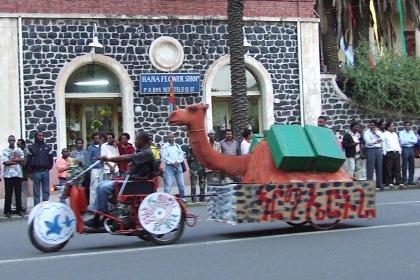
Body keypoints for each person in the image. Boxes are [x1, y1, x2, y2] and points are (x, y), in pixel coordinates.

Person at [84, 131, 156, 228]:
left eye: (137, 140)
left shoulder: (146, 153)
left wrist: (108, 159)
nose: (135, 142)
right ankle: (104, 213)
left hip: (136, 183)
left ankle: (98, 218)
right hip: (132, 180)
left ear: (142, 141)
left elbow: (127, 157)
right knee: (101, 185)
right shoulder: (142, 151)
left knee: (103, 188)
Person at [27, 131, 53, 206]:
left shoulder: (48, 147)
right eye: (39, 135)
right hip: (36, 172)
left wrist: (49, 167)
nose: (41, 137)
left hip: (45, 171)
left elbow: (51, 159)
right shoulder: (31, 147)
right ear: (36, 136)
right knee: (36, 192)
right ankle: (37, 207)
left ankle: (45, 206)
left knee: (46, 191)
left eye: (42, 135)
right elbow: (29, 160)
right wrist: (30, 172)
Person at [2, 135, 25, 217]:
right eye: (10, 140)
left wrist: (12, 160)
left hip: (18, 174)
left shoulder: (19, 150)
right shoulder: (5, 151)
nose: (12, 141)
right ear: (8, 141)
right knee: (8, 194)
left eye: (13, 140)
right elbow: (5, 162)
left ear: (15, 141)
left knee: (18, 193)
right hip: (8, 175)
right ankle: (7, 211)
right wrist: (16, 161)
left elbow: (22, 160)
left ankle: (19, 210)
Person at [160, 132, 186, 202]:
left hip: (178, 166)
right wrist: (172, 162)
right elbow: (164, 157)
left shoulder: (177, 146)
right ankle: (165, 199)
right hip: (169, 167)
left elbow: (182, 155)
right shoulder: (164, 147)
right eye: (169, 137)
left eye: (172, 137)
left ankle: (183, 198)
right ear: (167, 138)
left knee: (181, 184)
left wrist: (177, 161)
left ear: (174, 138)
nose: (171, 138)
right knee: (168, 184)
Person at [363, 120, 384, 190]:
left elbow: (382, 139)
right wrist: (376, 141)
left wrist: (375, 134)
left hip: (378, 150)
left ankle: (379, 184)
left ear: (375, 126)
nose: (371, 127)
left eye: (373, 125)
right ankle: (369, 184)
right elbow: (368, 142)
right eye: (370, 125)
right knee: (370, 168)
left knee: (379, 167)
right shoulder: (366, 132)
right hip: (370, 150)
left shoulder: (379, 132)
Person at [382, 122, 403, 188]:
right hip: (389, 152)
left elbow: (397, 143)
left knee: (397, 168)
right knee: (389, 168)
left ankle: (398, 181)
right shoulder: (384, 134)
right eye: (391, 126)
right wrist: (385, 153)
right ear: (388, 127)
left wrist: (399, 151)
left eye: (393, 126)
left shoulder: (395, 134)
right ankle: (389, 182)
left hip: (396, 152)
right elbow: (383, 144)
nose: (393, 127)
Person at [86, 132, 103, 206]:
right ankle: (93, 206)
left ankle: (100, 205)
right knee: (93, 188)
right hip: (94, 170)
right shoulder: (90, 148)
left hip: (103, 169)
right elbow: (88, 160)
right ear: (93, 139)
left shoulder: (102, 146)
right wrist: (89, 171)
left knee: (101, 187)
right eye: (96, 138)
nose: (97, 140)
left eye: (98, 138)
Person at [399, 121, 417, 186]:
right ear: (404, 126)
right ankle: (404, 180)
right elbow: (402, 142)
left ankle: (410, 180)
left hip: (411, 149)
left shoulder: (412, 132)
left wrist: (408, 141)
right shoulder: (401, 133)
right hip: (405, 149)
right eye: (406, 125)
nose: (407, 126)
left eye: (409, 125)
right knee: (404, 165)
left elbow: (415, 141)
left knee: (412, 165)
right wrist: (410, 141)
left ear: (410, 126)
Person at [15, 139, 30, 212]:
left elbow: (24, 164)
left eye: (19, 144)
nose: (17, 146)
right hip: (17, 174)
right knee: (18, 191)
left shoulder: (26, 152)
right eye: (17, 144)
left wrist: (16, 161)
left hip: (23, 174)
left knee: (23, 191)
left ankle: (23, 207)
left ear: (23, 145)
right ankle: (19, 206)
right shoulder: (17, 151)